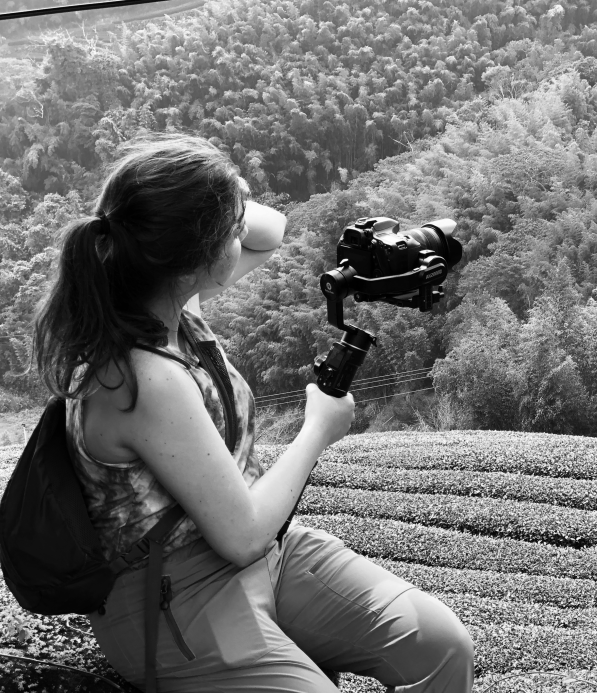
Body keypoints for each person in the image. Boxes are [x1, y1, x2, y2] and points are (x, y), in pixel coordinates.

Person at [32, 132, 475, 693]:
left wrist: (223, 190)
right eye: (230, 229)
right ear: (196, 256)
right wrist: (318, 429)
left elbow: (272, 230)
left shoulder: (170, 300)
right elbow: (241, 535)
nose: (243, 235)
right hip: (174, 594)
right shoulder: (141, 377)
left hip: (270, 554)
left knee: (442, 647)